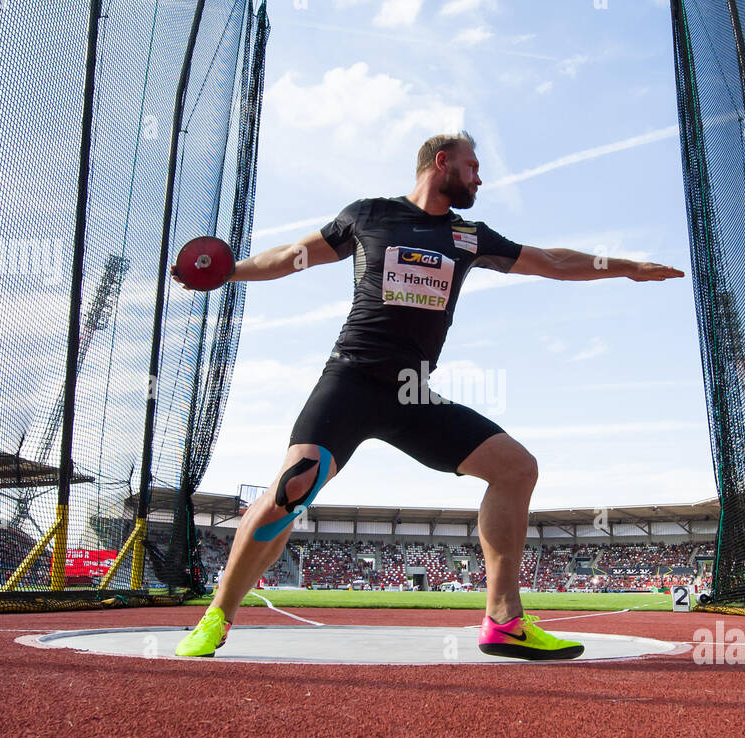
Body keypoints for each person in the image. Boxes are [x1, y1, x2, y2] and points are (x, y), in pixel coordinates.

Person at [171, 131, 683, 659]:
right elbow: (291, 255)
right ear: (442, 163)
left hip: (412, 393)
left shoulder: (469, 236)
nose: (480, 177)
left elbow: (550, 261)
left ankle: (505, 623)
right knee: (292, 488)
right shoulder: (368, 215)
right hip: (351, 379)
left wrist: (625, 267)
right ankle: (217, 618)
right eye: (473, 166)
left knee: (516, 469)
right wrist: (230, 271)